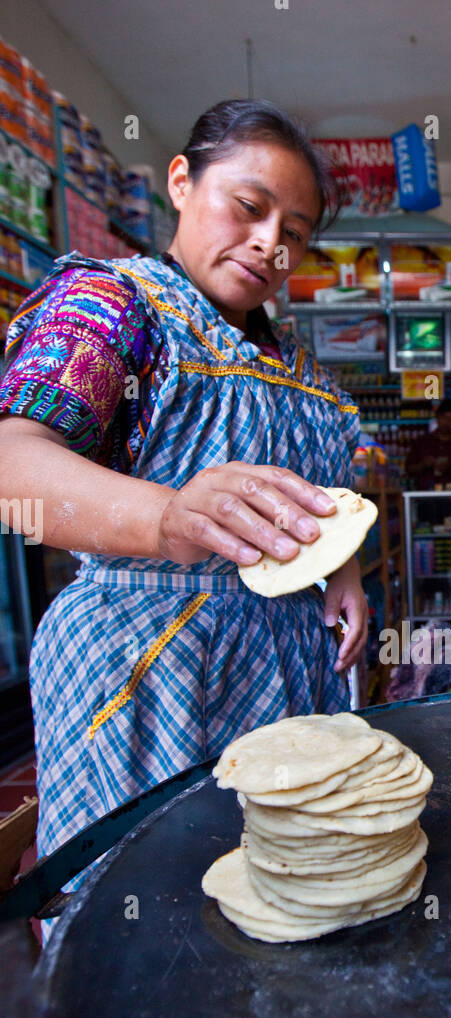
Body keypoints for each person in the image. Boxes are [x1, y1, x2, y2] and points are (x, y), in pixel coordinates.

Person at [0, 99, 368, 897]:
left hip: (284, 668)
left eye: (296, 232)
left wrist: (341, 567)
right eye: (249, 207)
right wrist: (165, 516)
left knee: (281, 898)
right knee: (146, 905)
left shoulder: (302, 372)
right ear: (180, 180)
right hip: (138, 673)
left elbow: (326, 496)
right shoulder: (111, 310)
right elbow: (13, 468)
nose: (271, 243)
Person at [404, 398, 451, 490]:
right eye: (444, 418)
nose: (446, 423)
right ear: (437, 418)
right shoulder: (422, 441)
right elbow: (409, 469)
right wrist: (423, 465)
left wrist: (450, 469)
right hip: (426, 497)